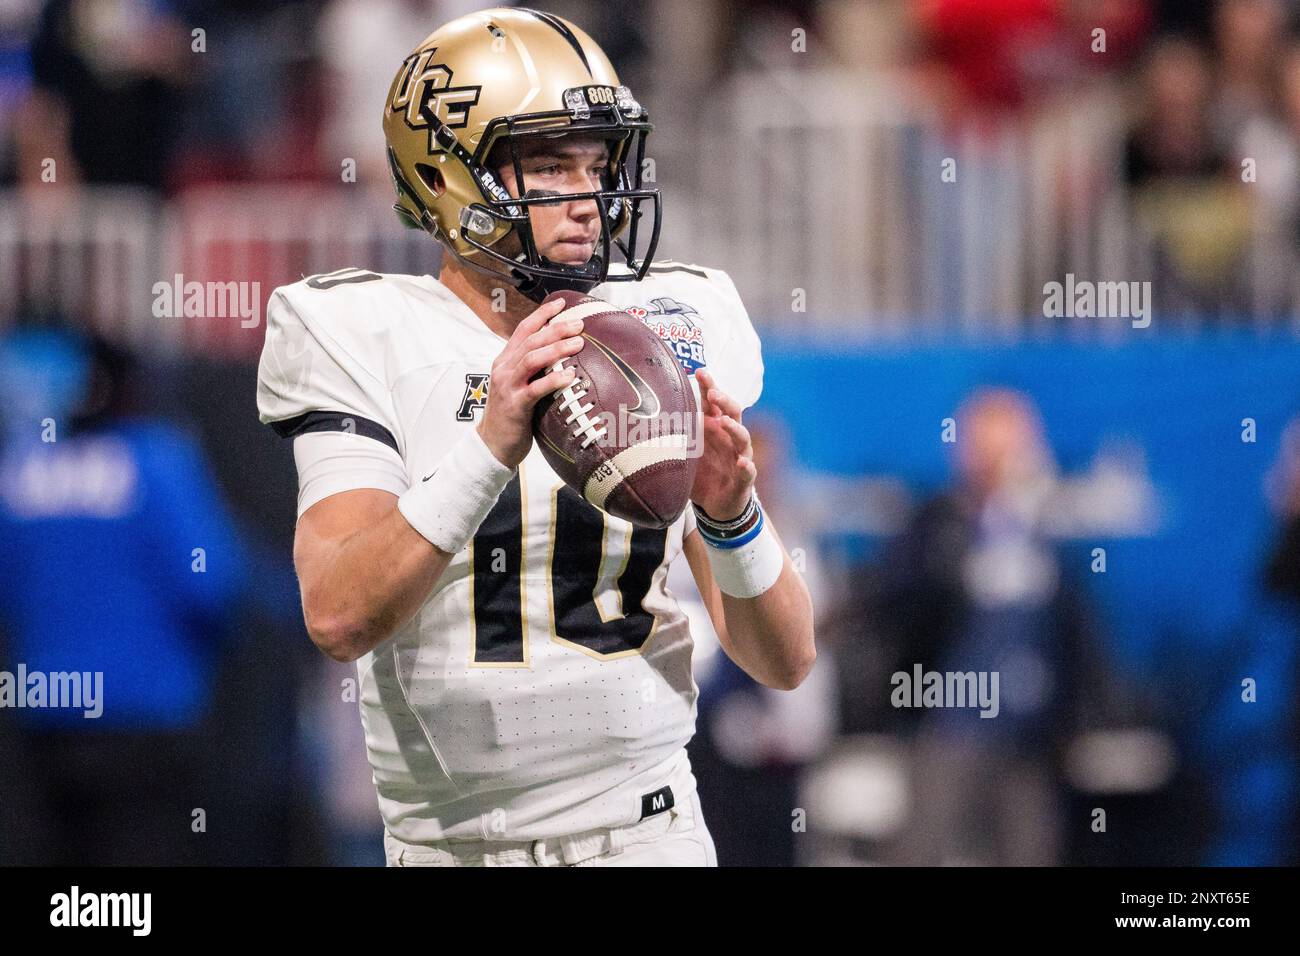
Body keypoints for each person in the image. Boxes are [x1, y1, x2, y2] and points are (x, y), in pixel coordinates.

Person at [255, 7, 815, 868]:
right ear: (448, 177)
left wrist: (734, 515)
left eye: (600, 165)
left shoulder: (666, 323)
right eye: (552, 167)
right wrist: (488, 447)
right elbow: (337, 612)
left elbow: (785, 660)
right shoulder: (362, 330)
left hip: (651, 835)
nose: (592, 200)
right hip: (455, 846)